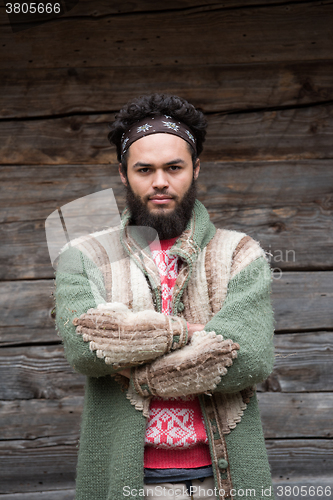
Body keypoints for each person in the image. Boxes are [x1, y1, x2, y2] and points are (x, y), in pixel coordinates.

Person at [55, 93, 275, 500]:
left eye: (174, 167)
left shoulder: (241, 254)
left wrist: (133, 359)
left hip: (223, 480)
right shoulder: (84, 257)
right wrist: (188, 333)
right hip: (127, 479)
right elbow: (84, 348)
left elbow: (250, 357)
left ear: (195, 169)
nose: (160, 181)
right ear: (123, 174)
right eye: (145, 169)